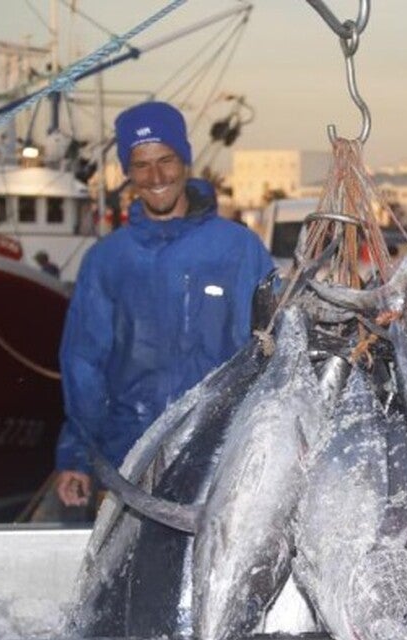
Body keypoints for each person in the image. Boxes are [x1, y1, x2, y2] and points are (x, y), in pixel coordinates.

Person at [51, 101, 274, 512]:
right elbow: (84, 365)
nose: (156, 177)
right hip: (129, 461)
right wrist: (76, 457)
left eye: (166, 160)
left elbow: (274, 351)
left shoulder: (239, 249)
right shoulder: (107, 260)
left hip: (220, 459)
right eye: (141, 164)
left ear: (185, 160)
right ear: (128, 172)